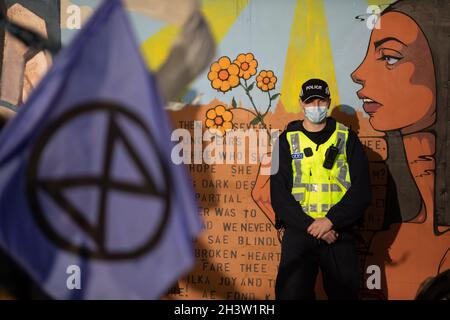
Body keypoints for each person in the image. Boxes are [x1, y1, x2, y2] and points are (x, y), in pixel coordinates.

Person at [270, 78, 371, 300]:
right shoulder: (285, 142)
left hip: (338, 233)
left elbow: (361, 191)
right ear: (301, 104)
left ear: (328, 101)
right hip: (299, 234)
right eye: (310, 101)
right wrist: (312, 226)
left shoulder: (348, 139)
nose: (316, 106)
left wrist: (329, 221)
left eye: (320, 101)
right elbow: (278, 196)